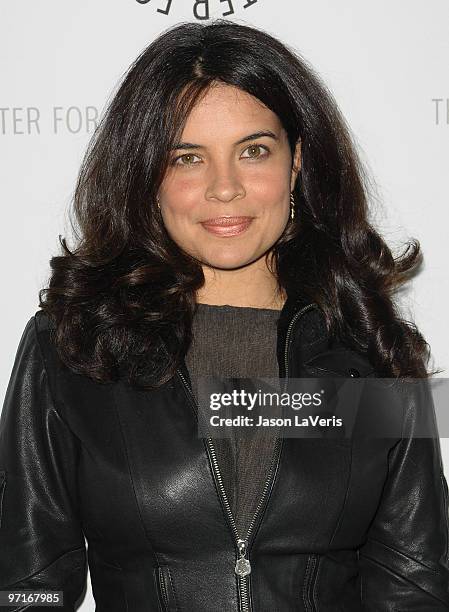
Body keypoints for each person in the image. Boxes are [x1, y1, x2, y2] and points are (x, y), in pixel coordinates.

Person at [0, 18, 448, 612]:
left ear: (297, 165)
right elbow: (26, 589)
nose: (225, 188)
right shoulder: (75, 347)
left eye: (254, 151)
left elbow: (415, 586)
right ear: (148, 176)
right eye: (187, 157)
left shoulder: (370, 348)